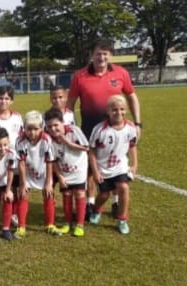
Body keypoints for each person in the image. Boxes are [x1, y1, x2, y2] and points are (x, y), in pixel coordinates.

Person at [67, 39, 142, 219]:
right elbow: (70, 104)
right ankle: (91, 204)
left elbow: (131, 96)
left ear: (110, 55)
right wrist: (71, 129)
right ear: (91, 55)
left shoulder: (121, 73)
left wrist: (138, 123)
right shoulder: (80, 76)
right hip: (88, 130)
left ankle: (116, 203)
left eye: (105, 53)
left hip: (116, 130)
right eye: (98, 53)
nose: (101, 57)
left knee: (116, 166)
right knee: (90, 170)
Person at [87, 95, 138, 235]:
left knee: (123, 187)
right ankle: (96, 210)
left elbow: (132, 146)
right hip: (103, 169)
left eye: (122, 109)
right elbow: (91, 151)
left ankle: (122, 219)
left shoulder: (130, 127)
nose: (118, 113)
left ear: (126, 110)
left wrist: (134, 165)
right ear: (108, 111)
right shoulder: (100, 129)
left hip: (120, 167)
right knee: (104, 195)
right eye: (114, 109)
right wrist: (96, 172)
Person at [44, 107, 89, 237]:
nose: (53, 129)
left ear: (62, 122)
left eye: (56, 125)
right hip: (64, 172)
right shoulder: (49, 139)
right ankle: (68, 223)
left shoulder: (74, 131)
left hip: (78, 170)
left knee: (80, 193)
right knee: (67, 194)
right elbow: (53, 161)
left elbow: (86, 148)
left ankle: (80, 225)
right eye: (49, 126)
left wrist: (68, 143)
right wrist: (60, 176)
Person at [0, 85, 24, 228]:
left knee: (13, 187)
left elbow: (21, 137)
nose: (4, 101)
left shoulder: (17, 117)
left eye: (7, 98)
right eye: (0, 98)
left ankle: (13, 214)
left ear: (11, 101)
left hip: (14, 159)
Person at [15, 111, 56, 237]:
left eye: (36, 129)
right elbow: (21, 163)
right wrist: (22, 183)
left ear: (41, 128)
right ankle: (21, 226)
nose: (32, 132)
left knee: (48, 194)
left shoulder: (46, 139)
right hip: (27, 170)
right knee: (23, 194)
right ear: (24, 128)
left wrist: (49, 182)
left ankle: (50, 224)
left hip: (43, 170)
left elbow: (49, 161)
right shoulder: (20, 140)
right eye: (29, 129)